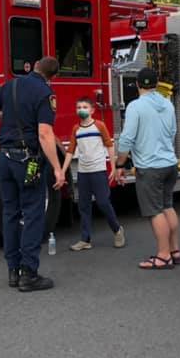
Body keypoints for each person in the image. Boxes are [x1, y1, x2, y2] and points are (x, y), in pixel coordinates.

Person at [0, 56, 66, 292]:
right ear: (52, 77)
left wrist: (6, 117)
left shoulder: (11, 85)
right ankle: (29, 274)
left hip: (4, 160)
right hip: (26, 160)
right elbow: (45, 134)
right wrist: (58, 169)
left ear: (34, 67)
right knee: (33, 213)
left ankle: (13, 271)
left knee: (10, 213)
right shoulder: (45, 94)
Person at [115, 67, 180, 270]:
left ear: (137, 84)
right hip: (170, 163)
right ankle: (174, 250)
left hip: (150, 167)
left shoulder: (135, 107)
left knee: (155, 211)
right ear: (156, 84)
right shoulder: (168, 103)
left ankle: (162, 256)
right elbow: (173, 131)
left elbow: (126, 138)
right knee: (167, 205)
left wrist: (120, 164)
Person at [60, 97, 124, 251]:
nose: (81, 110)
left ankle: (117, 230)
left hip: (98, 171)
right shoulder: (76, 129)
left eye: (85, 107)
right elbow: (70, 151)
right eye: (79, 107)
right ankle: (85, 239)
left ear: (92, 110)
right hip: (83, 172)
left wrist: (113, 167)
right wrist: (62, 171)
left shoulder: (99, 126)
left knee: (103, 202)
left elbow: (109, 145)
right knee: (84, 206)